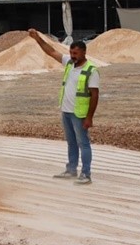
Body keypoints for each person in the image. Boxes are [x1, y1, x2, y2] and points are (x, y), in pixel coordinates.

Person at [28, 29, 99, 185]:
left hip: (79, 113)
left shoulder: (91, 71)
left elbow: (95, 95)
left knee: (83, 143)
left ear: (84, 53)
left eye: (76, 53)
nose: (73, 56)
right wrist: (37, 39)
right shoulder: (69, 63)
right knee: (71, 142)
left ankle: (86, 174)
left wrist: (89, 117)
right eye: (71, 53)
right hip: (66, 111)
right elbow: (51, 52)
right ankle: (71, 169)